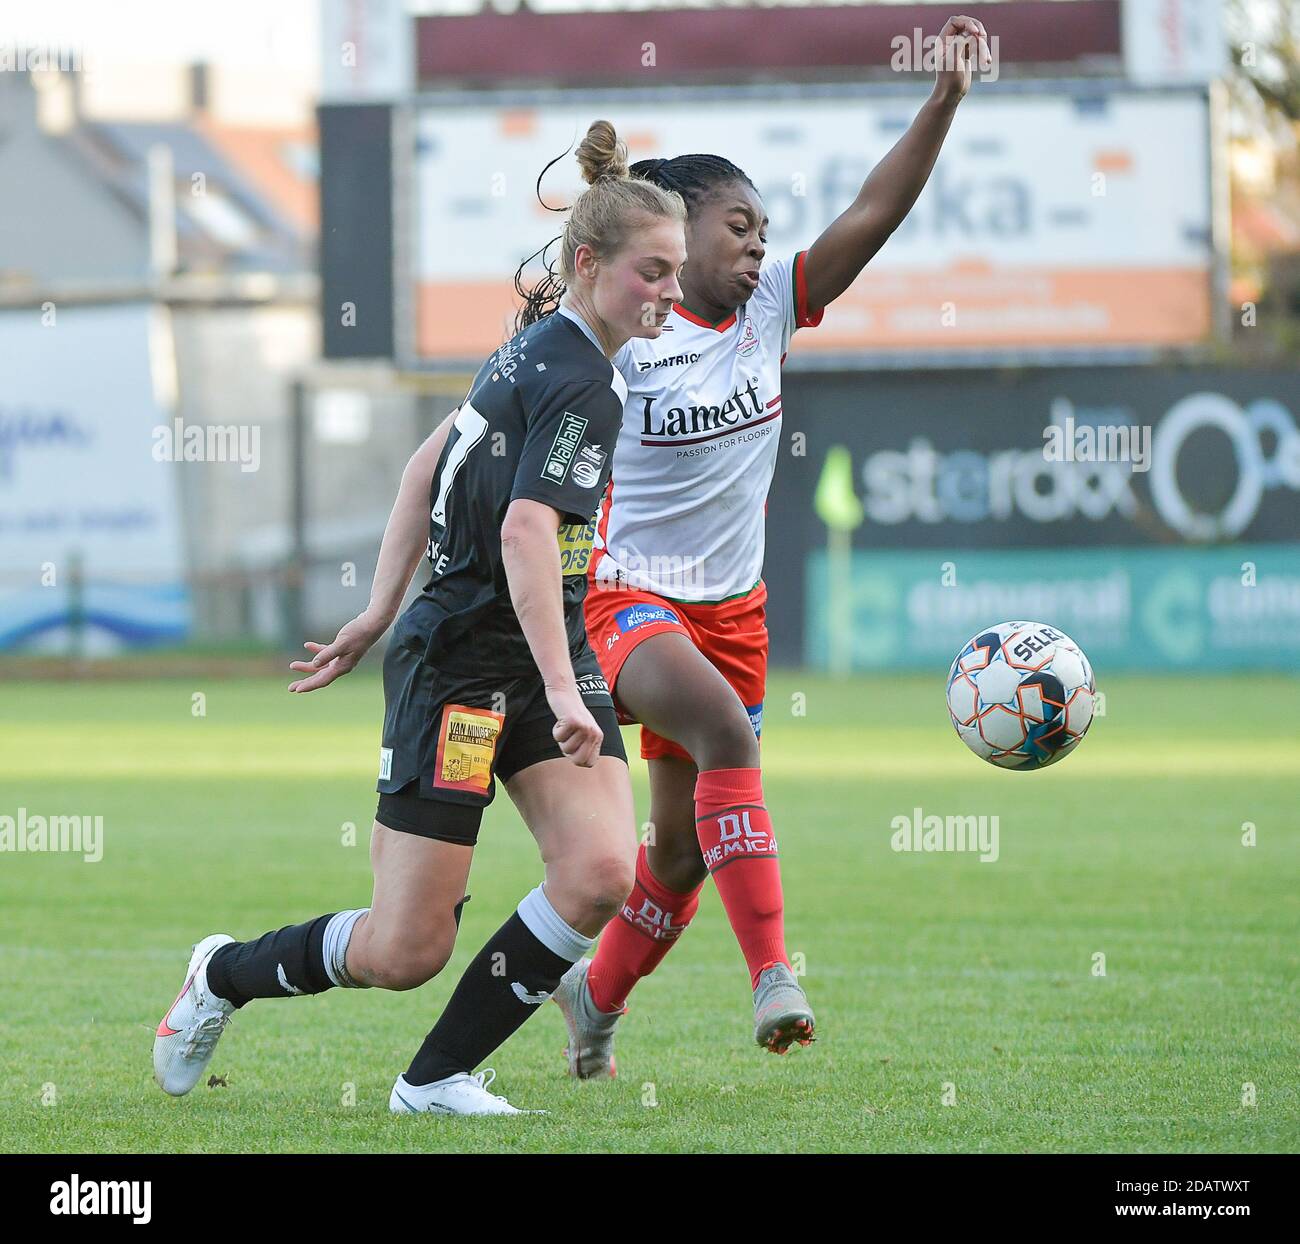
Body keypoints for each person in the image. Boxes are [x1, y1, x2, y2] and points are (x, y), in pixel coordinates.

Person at [151, 121, 687, 1115]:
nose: (669, 292)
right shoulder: (574, 379)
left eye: (675, 273)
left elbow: (422, 466)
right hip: (464, 670)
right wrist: (539, 678)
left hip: (534, 650)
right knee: (406, 949)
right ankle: (221, 972)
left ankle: (434, 1077)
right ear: (588, 263)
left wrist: (375, 608)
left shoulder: (534, 352)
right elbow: (527, 531)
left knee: (603, 869)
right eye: (651, 271)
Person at [540, 15, 993, 1075]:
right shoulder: (624, 341)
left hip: (733, 613)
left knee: (681, 858)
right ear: (675, 233)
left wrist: (943, 103)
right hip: (628, 599)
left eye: (763, 228)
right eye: (737, 225)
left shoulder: (770, 312)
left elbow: (872, 214)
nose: (757, 244)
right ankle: (774, 976)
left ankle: (590, 998)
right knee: (730, 750)